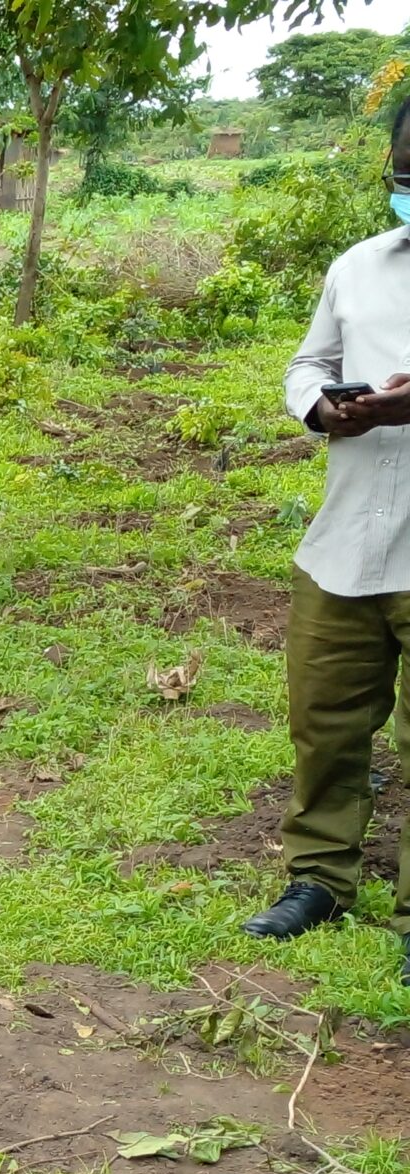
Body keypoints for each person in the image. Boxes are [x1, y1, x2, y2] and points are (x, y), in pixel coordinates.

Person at [246, 101, 410, 985]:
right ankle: (319, 878)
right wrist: (323, 405)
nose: (409, 193)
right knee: (325, 720)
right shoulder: (361, 268)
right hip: (347, 540)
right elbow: (307, 363)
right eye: (404, 176)